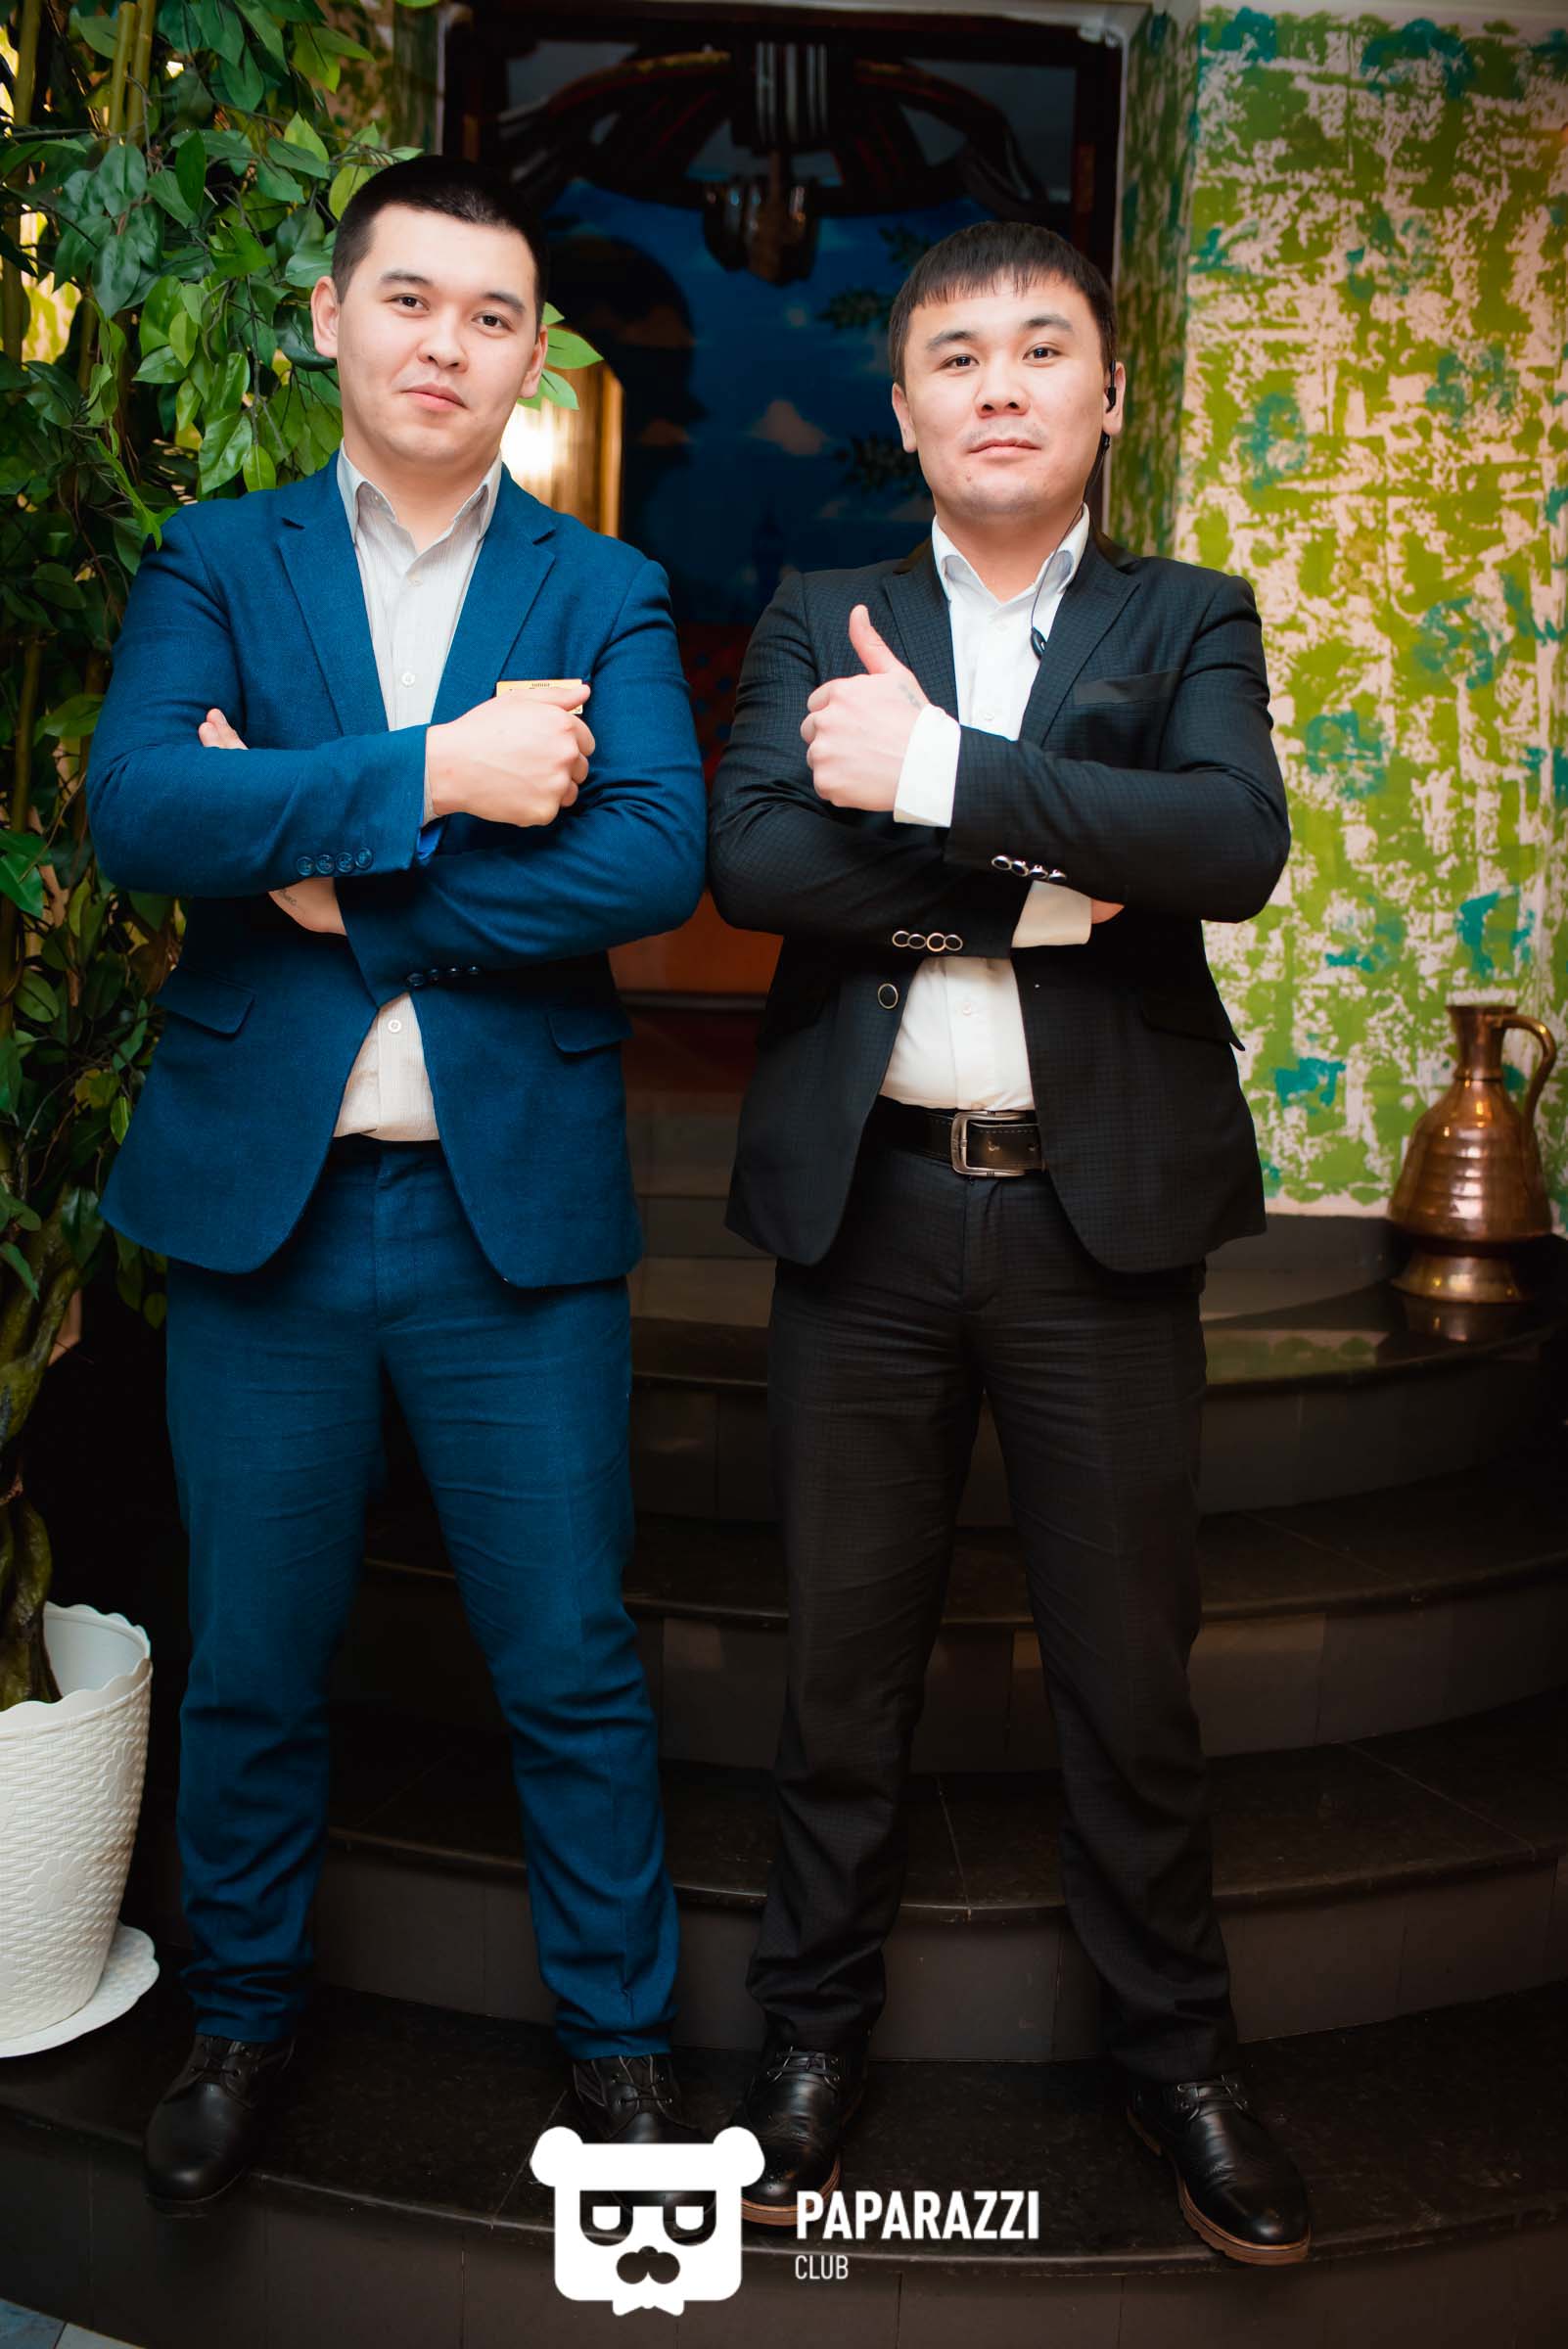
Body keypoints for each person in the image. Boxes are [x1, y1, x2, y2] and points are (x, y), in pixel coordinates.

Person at [87, 158, 708, 2212]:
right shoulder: (217, 556)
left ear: (536, 360)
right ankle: (239, 2017)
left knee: (569, 1657)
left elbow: (650, 859)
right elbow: (141, 808)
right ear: (330, 319)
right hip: (261, 1213)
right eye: (412, 300)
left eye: (492, 315)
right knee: (255, 1657)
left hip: (507, 1221)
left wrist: (325, 875)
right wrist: (444, 774)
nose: (448, 343)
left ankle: (619, 2044)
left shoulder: (601, 586)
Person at [707, 220, 1310, 2265]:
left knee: (1132, 1679)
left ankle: (1179, 2055)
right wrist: (1050, 874)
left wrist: (939, 774)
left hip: (1096, 1220)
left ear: (1106, 395)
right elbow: (755, 858)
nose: (997, 383)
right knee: (840, 1672)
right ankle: (810, 2037)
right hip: (866, 1214)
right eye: (954, 355)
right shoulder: (824, 613)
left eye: (1041, 348)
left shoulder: (1187, 613)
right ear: (904, 410)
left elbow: (1224, 843)